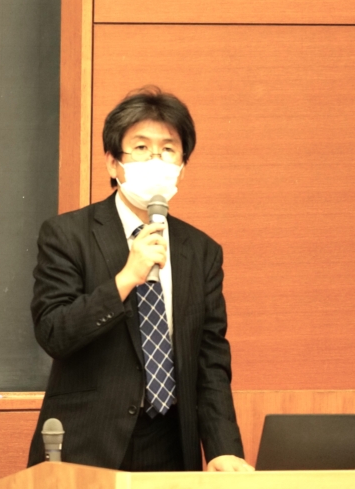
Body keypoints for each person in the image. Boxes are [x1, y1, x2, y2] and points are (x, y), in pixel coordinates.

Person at [27, 86, 252, 472]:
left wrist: (222, 448)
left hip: (170, 444)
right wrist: (126, 279)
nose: (156, 159)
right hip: (89, 442)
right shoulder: (67, 235)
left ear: (182, 166)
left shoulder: (201, 251)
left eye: (168, 149)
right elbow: (54, 333)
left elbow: (210, 359)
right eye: (142, 147)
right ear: (114, 164)